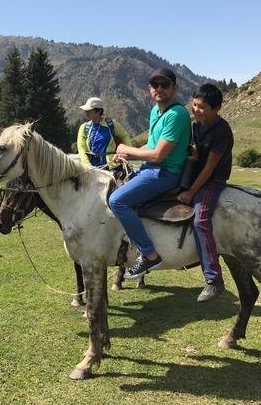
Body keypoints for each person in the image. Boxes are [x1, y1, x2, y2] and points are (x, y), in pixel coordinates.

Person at [109, 67, 191, 279]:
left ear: (175, 88)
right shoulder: (156, 111)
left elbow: (158, 155)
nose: (160, 89)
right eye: (155, 85)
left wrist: (126, 149)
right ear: (149, 88)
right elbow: (151, 144)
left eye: (165, 85)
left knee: (117, 201)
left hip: (165, 173)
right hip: (150, 169)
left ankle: (149, 255)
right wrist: (127, 155)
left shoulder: (177, 114)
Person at [177, 84, 234, 302]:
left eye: (202, 107)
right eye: (194, 104)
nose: (196, 109)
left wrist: (191, 192)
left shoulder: (221, 131)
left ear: (216, 108)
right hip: (194, 176)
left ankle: (214, 279)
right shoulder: (196, 125)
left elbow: (210, 167)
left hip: (212, 180)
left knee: (201, 219)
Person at [77, 97, 132, 175]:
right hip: (92, 169)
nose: (85, 112)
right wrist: (87, 164)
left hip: (113, 167)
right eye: (85, 110)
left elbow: (125, 136)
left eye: (89, 110)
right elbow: (81, 147)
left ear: (98, 111)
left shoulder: (112, 124)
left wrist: (127, 154)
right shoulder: (83, 128)